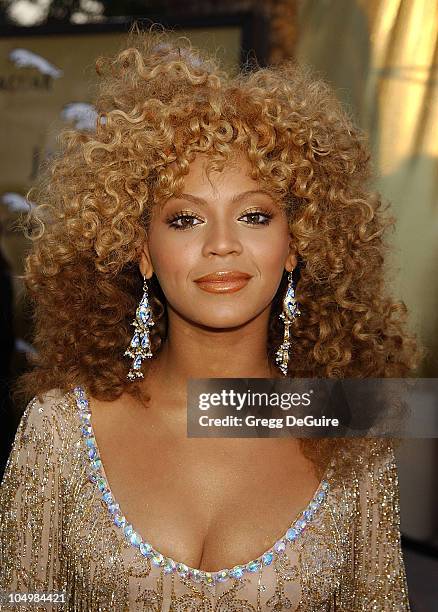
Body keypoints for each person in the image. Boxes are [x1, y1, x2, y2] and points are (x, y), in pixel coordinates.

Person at [0, 27, 421, 611]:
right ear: (140, 249)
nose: (222, 245)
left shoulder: (348, 435)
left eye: (253, 215)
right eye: (184, 220)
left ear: (298, 243)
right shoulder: (59, 434)